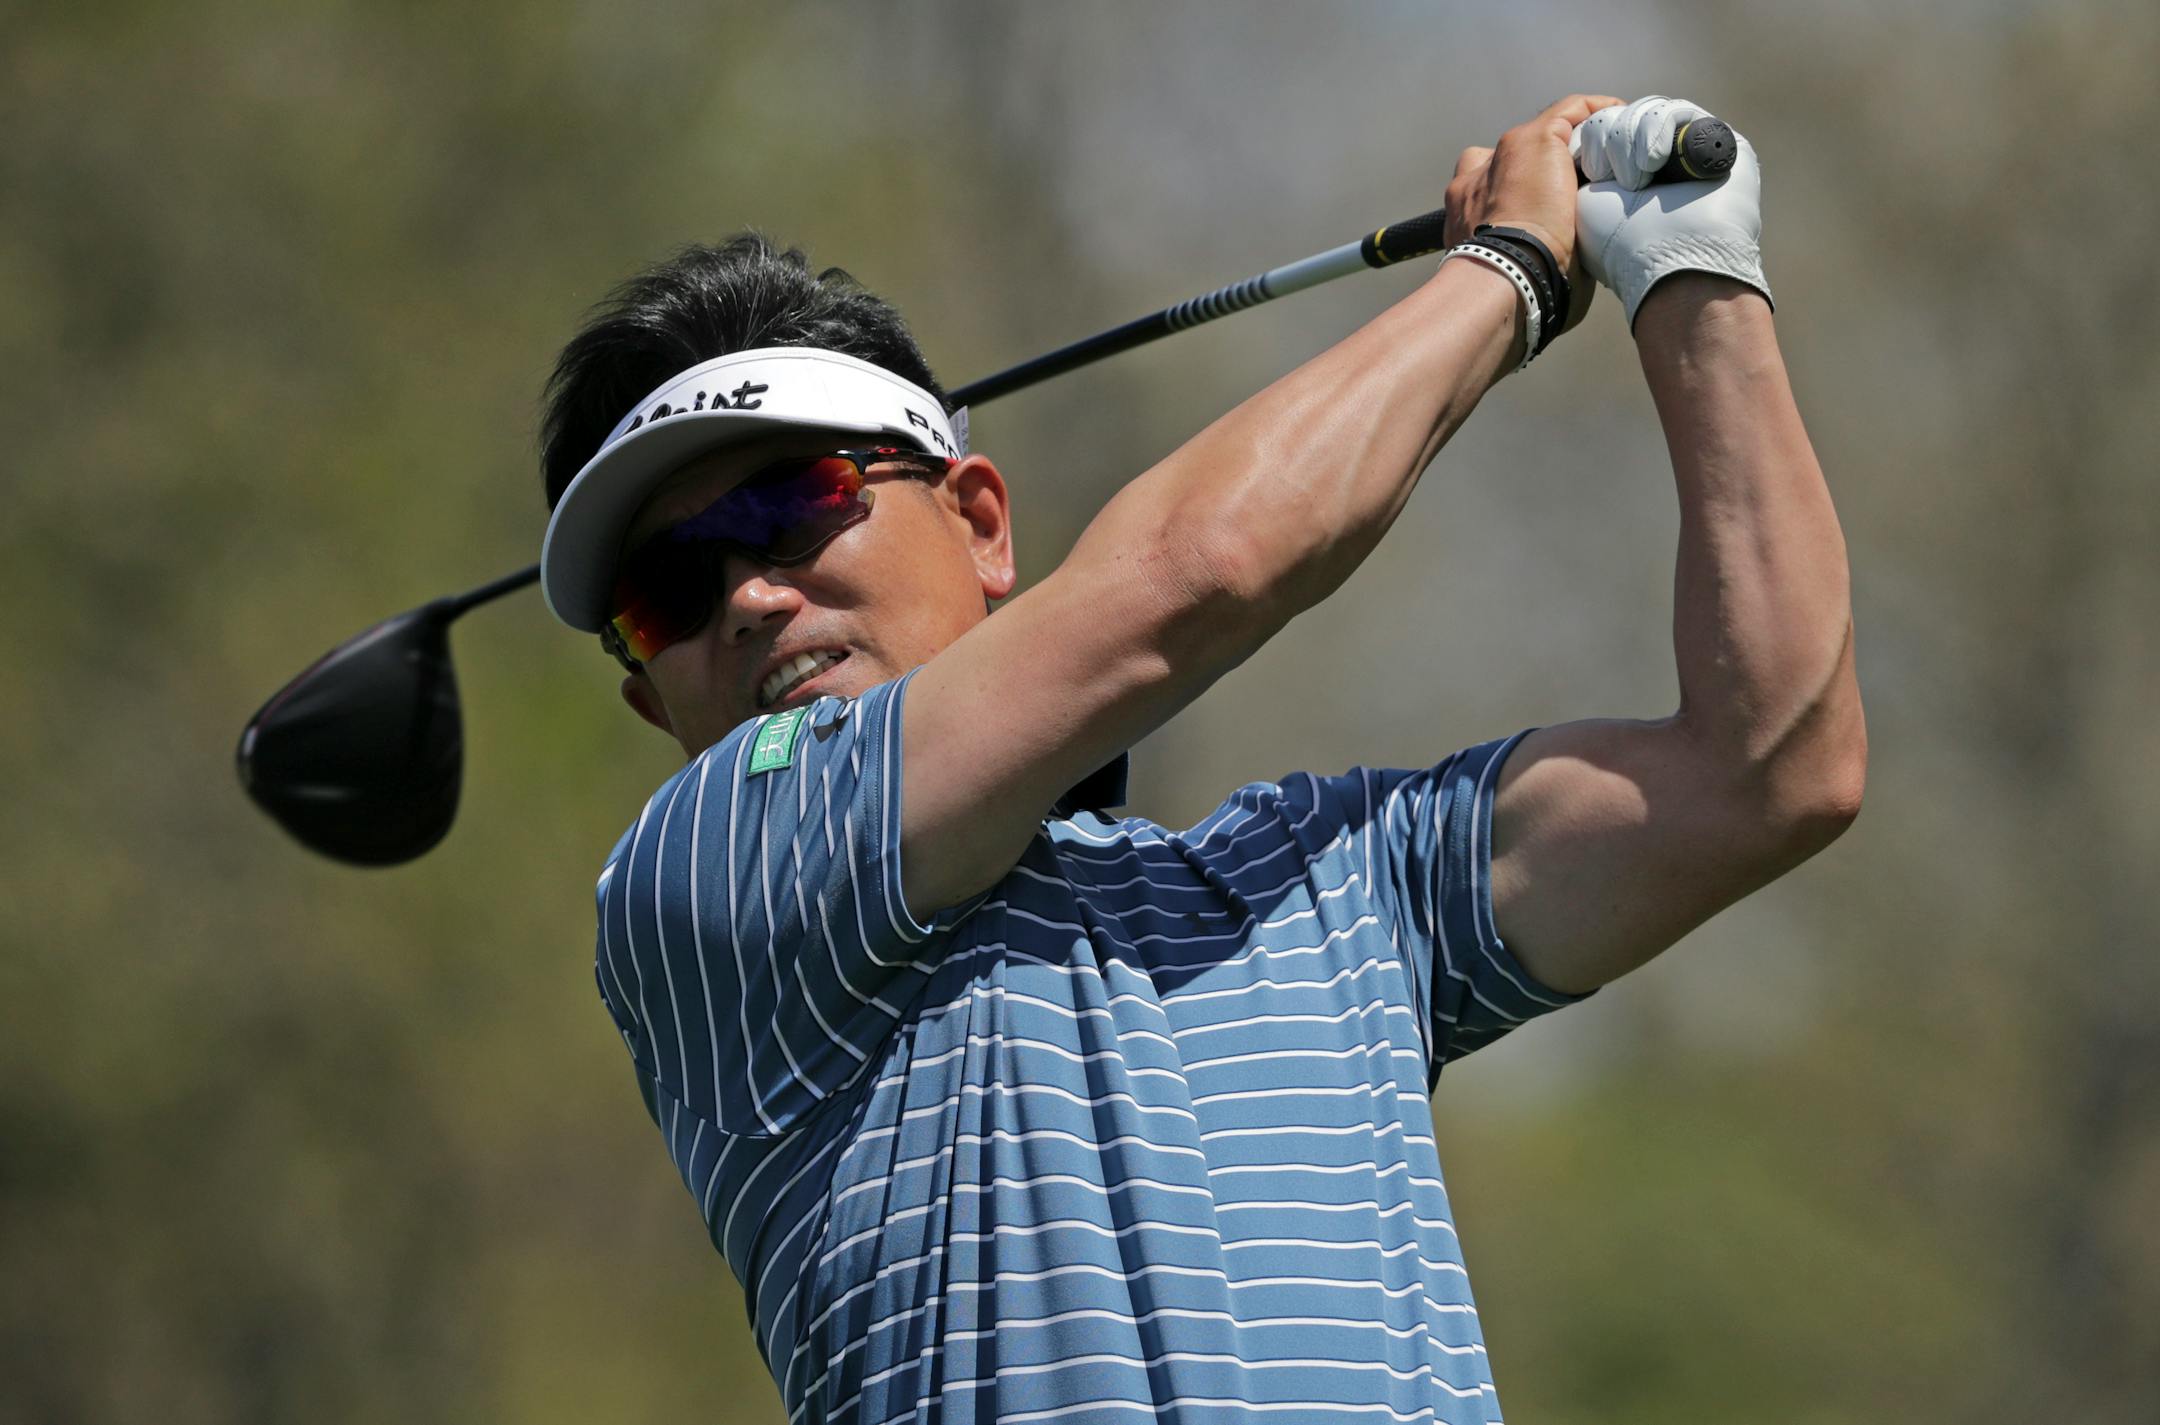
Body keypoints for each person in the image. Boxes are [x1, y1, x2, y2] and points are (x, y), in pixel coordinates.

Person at [535, 93, 1864, 1424]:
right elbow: (1199, 569)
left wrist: (1694, 272)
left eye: (794, 506)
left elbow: (1767, 771)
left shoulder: (1333, 882)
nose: (750, 601)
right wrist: (1507, 273)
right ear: (653, 702)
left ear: (981, 524)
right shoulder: (699, 887)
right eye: (666, 595)